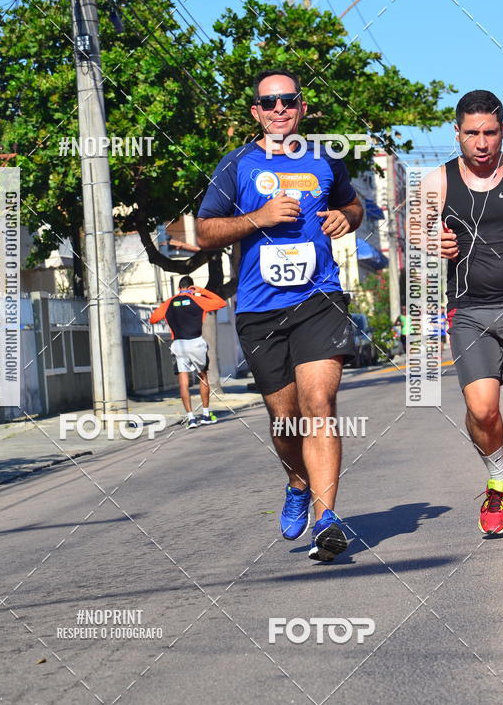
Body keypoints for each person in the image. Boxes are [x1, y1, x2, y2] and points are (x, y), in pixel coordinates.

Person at [196, 68, 363, 561]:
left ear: (302, 107)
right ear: (256, 112)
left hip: (319, 299)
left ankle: (326, 518)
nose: (279, 110)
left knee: (319, 403)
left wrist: (344, 217)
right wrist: (258, 219)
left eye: (288, 101)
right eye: (269, 103)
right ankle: (296, 480)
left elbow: (353, 209)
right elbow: (204, 232)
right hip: (260, 310)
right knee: (285, 419)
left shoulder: (326, 160)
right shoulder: (237, 165)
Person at [437, 89, 503, 534]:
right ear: (457, 133)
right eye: (472, 134)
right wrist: (432, 245)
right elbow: (419, 241)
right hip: (470, 312)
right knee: (483, 409)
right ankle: (499, 480)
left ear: (501, 131)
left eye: (489, 133)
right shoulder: (438, 183)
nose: (481, 143)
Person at [149, 276, 226, 428]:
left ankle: (191, 419)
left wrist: (169, 305)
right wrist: (201, 291)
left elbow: (152, 319)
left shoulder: (169, 302)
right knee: (203, 376)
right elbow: (221, 303)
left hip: (178, 344)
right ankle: (205, 415)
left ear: (179, 288)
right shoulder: (198, 300)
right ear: (191, 287)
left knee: (183, 382)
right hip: (196, 343)